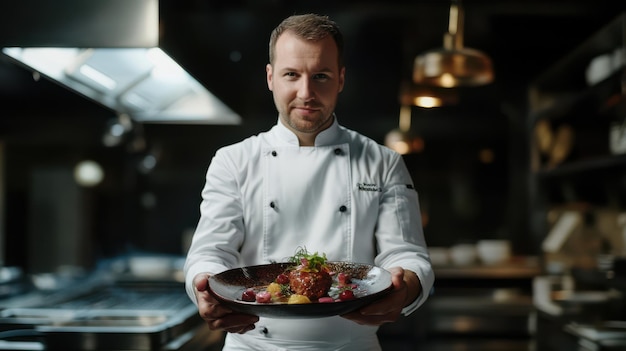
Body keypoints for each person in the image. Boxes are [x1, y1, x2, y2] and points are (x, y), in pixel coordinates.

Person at [184, 13, 434, 351]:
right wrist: (205, 288)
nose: (306, 92)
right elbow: (211, 252)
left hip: (349, 344)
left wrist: (408, 286)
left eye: (321, 76)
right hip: (255, 343)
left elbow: (407, 253)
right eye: (291, 75)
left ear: (341, 79)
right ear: (271, 77)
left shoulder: (382, 161)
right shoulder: (233, 161)